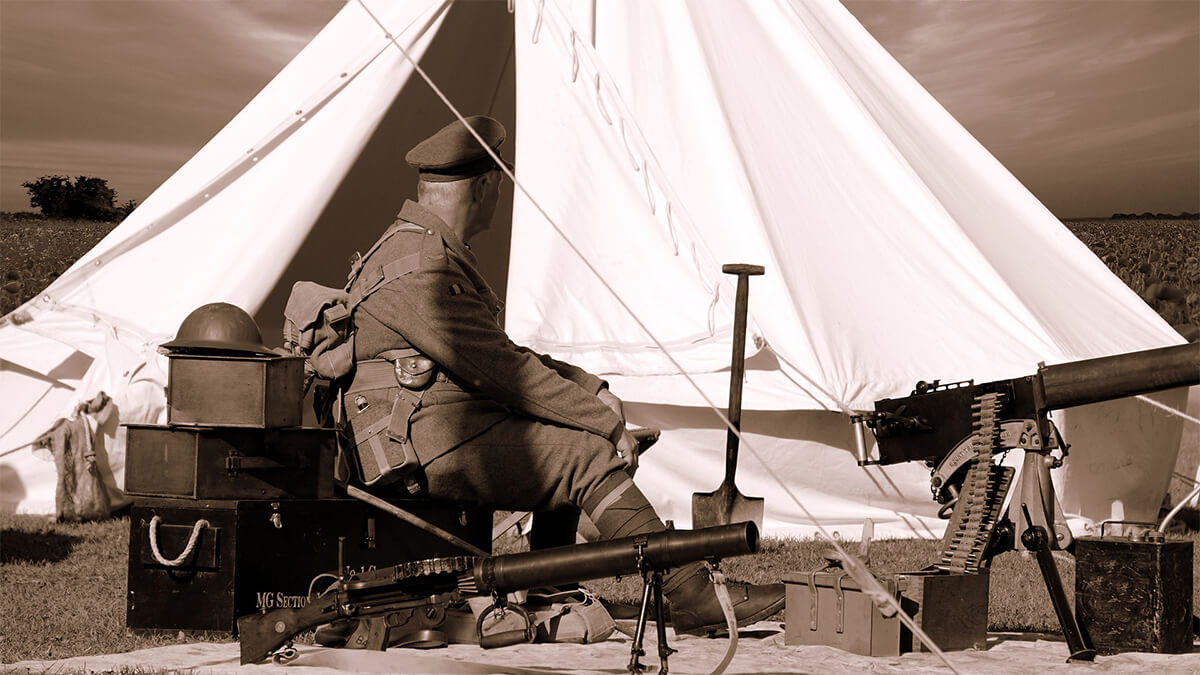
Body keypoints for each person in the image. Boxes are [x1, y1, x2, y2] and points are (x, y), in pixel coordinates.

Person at [340, 115, 783, 636]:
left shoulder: (420, 251)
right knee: (584, 454)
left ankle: (550, 590)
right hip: (417, 441)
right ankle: (689, 594)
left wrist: (588, 386)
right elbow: (504, 373)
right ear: (486, 187)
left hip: (430, 427)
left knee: (572, 437)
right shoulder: (421, 266)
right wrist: (603, 422)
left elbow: (496, 352)